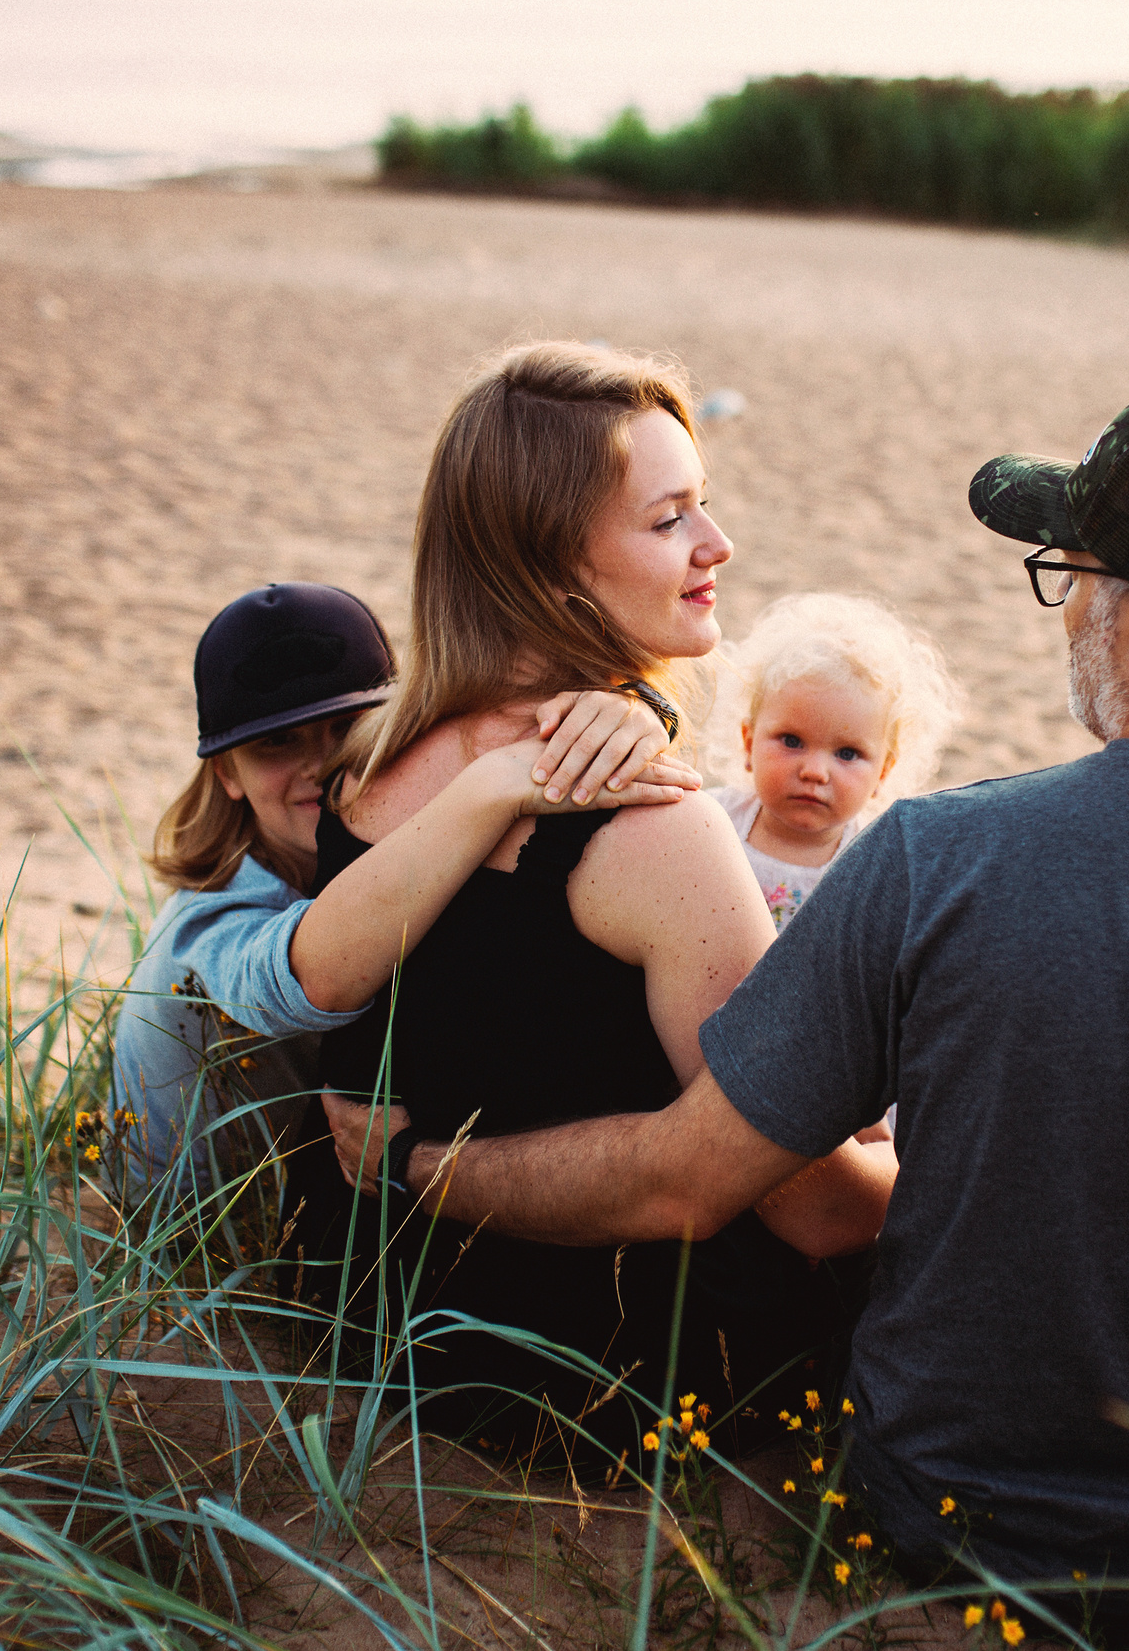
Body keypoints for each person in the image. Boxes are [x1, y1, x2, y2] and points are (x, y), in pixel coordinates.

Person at [333, 384, 1129, 1630]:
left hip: (938, 1517)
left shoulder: (932, 859)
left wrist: (426, 1167)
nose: (1067, 610)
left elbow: (682, 1177)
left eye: (1071, 578)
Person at [296, 343, 894, 1456]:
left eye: (701, 507)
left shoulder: (372, 760)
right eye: (669, 519)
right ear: (547, 563)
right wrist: (933, 1168)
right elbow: (805, 1204)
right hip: (600, 1385)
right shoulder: (656, 832)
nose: (717, 545)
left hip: (383, 1333)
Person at [114, 581, 689, 1195]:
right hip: (197, 1244)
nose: (319, 763)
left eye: (345, 726)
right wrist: (487, 790)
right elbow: (294, 986)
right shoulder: (210, 914)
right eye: (276, 743)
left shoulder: (382, 840)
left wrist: (628, 712)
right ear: (227, 771)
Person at [705, 592, 962, 931]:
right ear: (748, 743)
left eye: (847, 754)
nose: (814, 772)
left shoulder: (876, 864)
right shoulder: (714, 823)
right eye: (792, 741)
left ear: (883, 771)